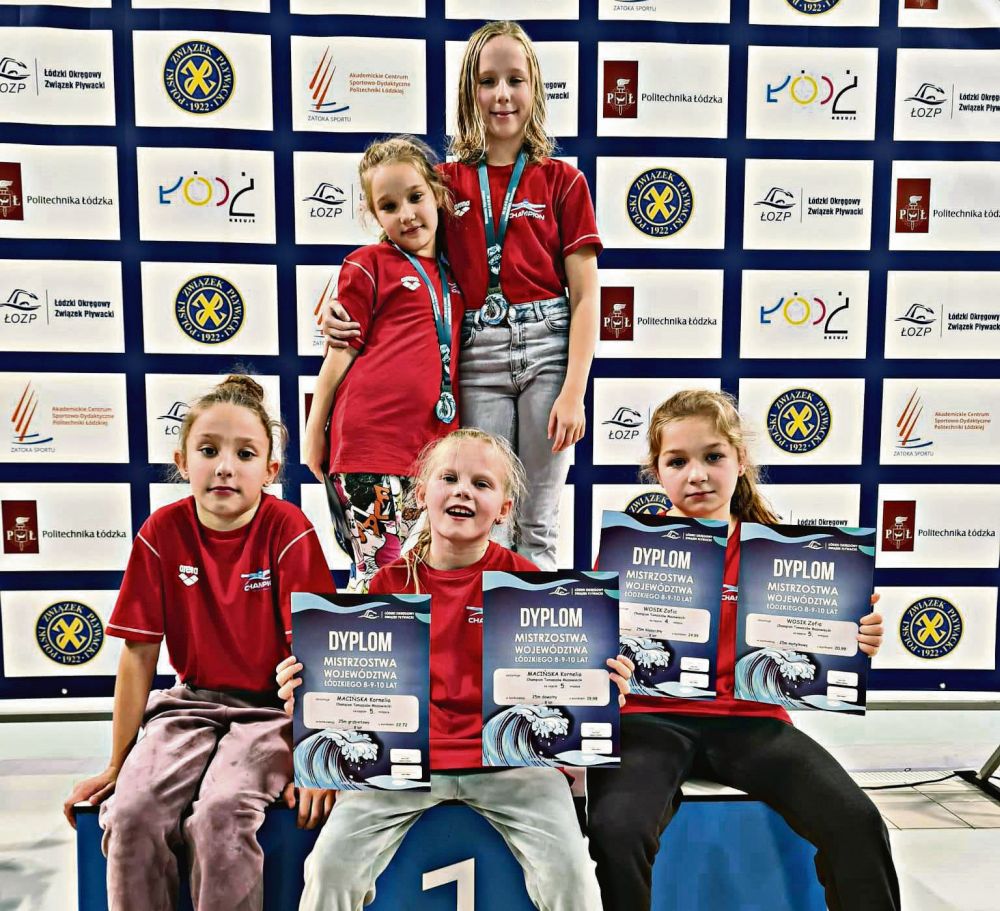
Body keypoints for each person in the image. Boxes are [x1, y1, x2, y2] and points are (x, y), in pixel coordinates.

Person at [277, 428, 634, 911]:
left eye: (482, 483)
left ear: (503, 508)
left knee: (573, 875)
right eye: (449, 478)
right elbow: (352, 705)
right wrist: (309, 696)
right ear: (421, 493)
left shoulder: (529, 584)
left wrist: (601, 688)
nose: (463, 490)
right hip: (402, 765)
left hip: (512, 768)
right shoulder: (385, 585)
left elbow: (561, 700)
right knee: (329, 868)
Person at [587, 389, 900, 911]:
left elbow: (815, 657)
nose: (697, 475)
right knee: (615, 830)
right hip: (647, 720)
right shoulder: (628, 549)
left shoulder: (781, 552)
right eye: (677, 461)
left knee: (858, 821)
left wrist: (855, 637)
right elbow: (598, 653)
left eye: (713, 456)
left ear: (740, 460)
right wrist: (597, 667)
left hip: (752, 721)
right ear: (657, 472)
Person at [324, 21, 601, 571]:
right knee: (482, 517)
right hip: (476, 356)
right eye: (488, 81)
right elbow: (399, 250)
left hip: (548, 350)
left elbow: (587, 294)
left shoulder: (563, 181)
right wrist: (339, 310)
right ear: (469, 91)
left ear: (535, 88)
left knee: (538, 520)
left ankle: (531, 628)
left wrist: (575, 390)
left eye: (515, 80)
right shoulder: (444, 181)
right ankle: (478, 625)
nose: (502, 95)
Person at [62, 374, 336, 911]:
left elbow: (319, 658)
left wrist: (315, 761)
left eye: (245, 454)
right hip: (189, 706)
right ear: (182, 462)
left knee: (221, 814)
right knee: (131, 814)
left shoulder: (289, 530)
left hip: (271, 714)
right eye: (208, 451)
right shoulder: (161, 532)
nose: (225, 467)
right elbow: (138, 656)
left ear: (270, 470)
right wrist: (118, 764)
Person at [302, 135, 465, 593]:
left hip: (431, 452)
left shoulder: (457, 278)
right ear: (374, 215)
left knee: (419, 579)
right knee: (377, 580)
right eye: (389, 206)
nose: (407, 214)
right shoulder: (367, 263)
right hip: (368, 449)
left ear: (437, 193)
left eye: (415, 197)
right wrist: (316, 433)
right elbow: (340, 354)